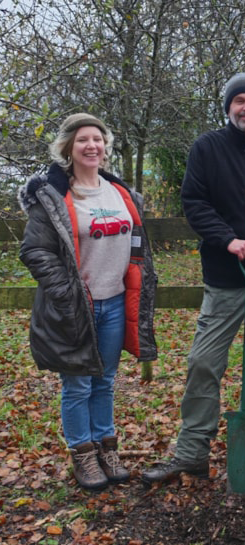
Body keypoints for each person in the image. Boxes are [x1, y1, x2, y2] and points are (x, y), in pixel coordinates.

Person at [142, 73, 245, 483]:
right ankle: (192, 450)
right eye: (240, 101)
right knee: (204, 362)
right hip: (224, 275)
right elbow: (194, 201)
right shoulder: (207, 148)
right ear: (229, 107)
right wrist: (228, 240)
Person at [18, 113, 158, 490]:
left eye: (98, 139)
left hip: (114, 302)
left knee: (105, 381)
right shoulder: (52, 197)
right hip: (74, 307)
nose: (92, 145)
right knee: (77, 384)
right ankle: (82, 454)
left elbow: (137, 246)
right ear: (68, 147)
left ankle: (106, 446)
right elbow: (34, 251)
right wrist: (66, 291)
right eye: (83, 140)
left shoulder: (120, 193)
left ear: (105, 146)